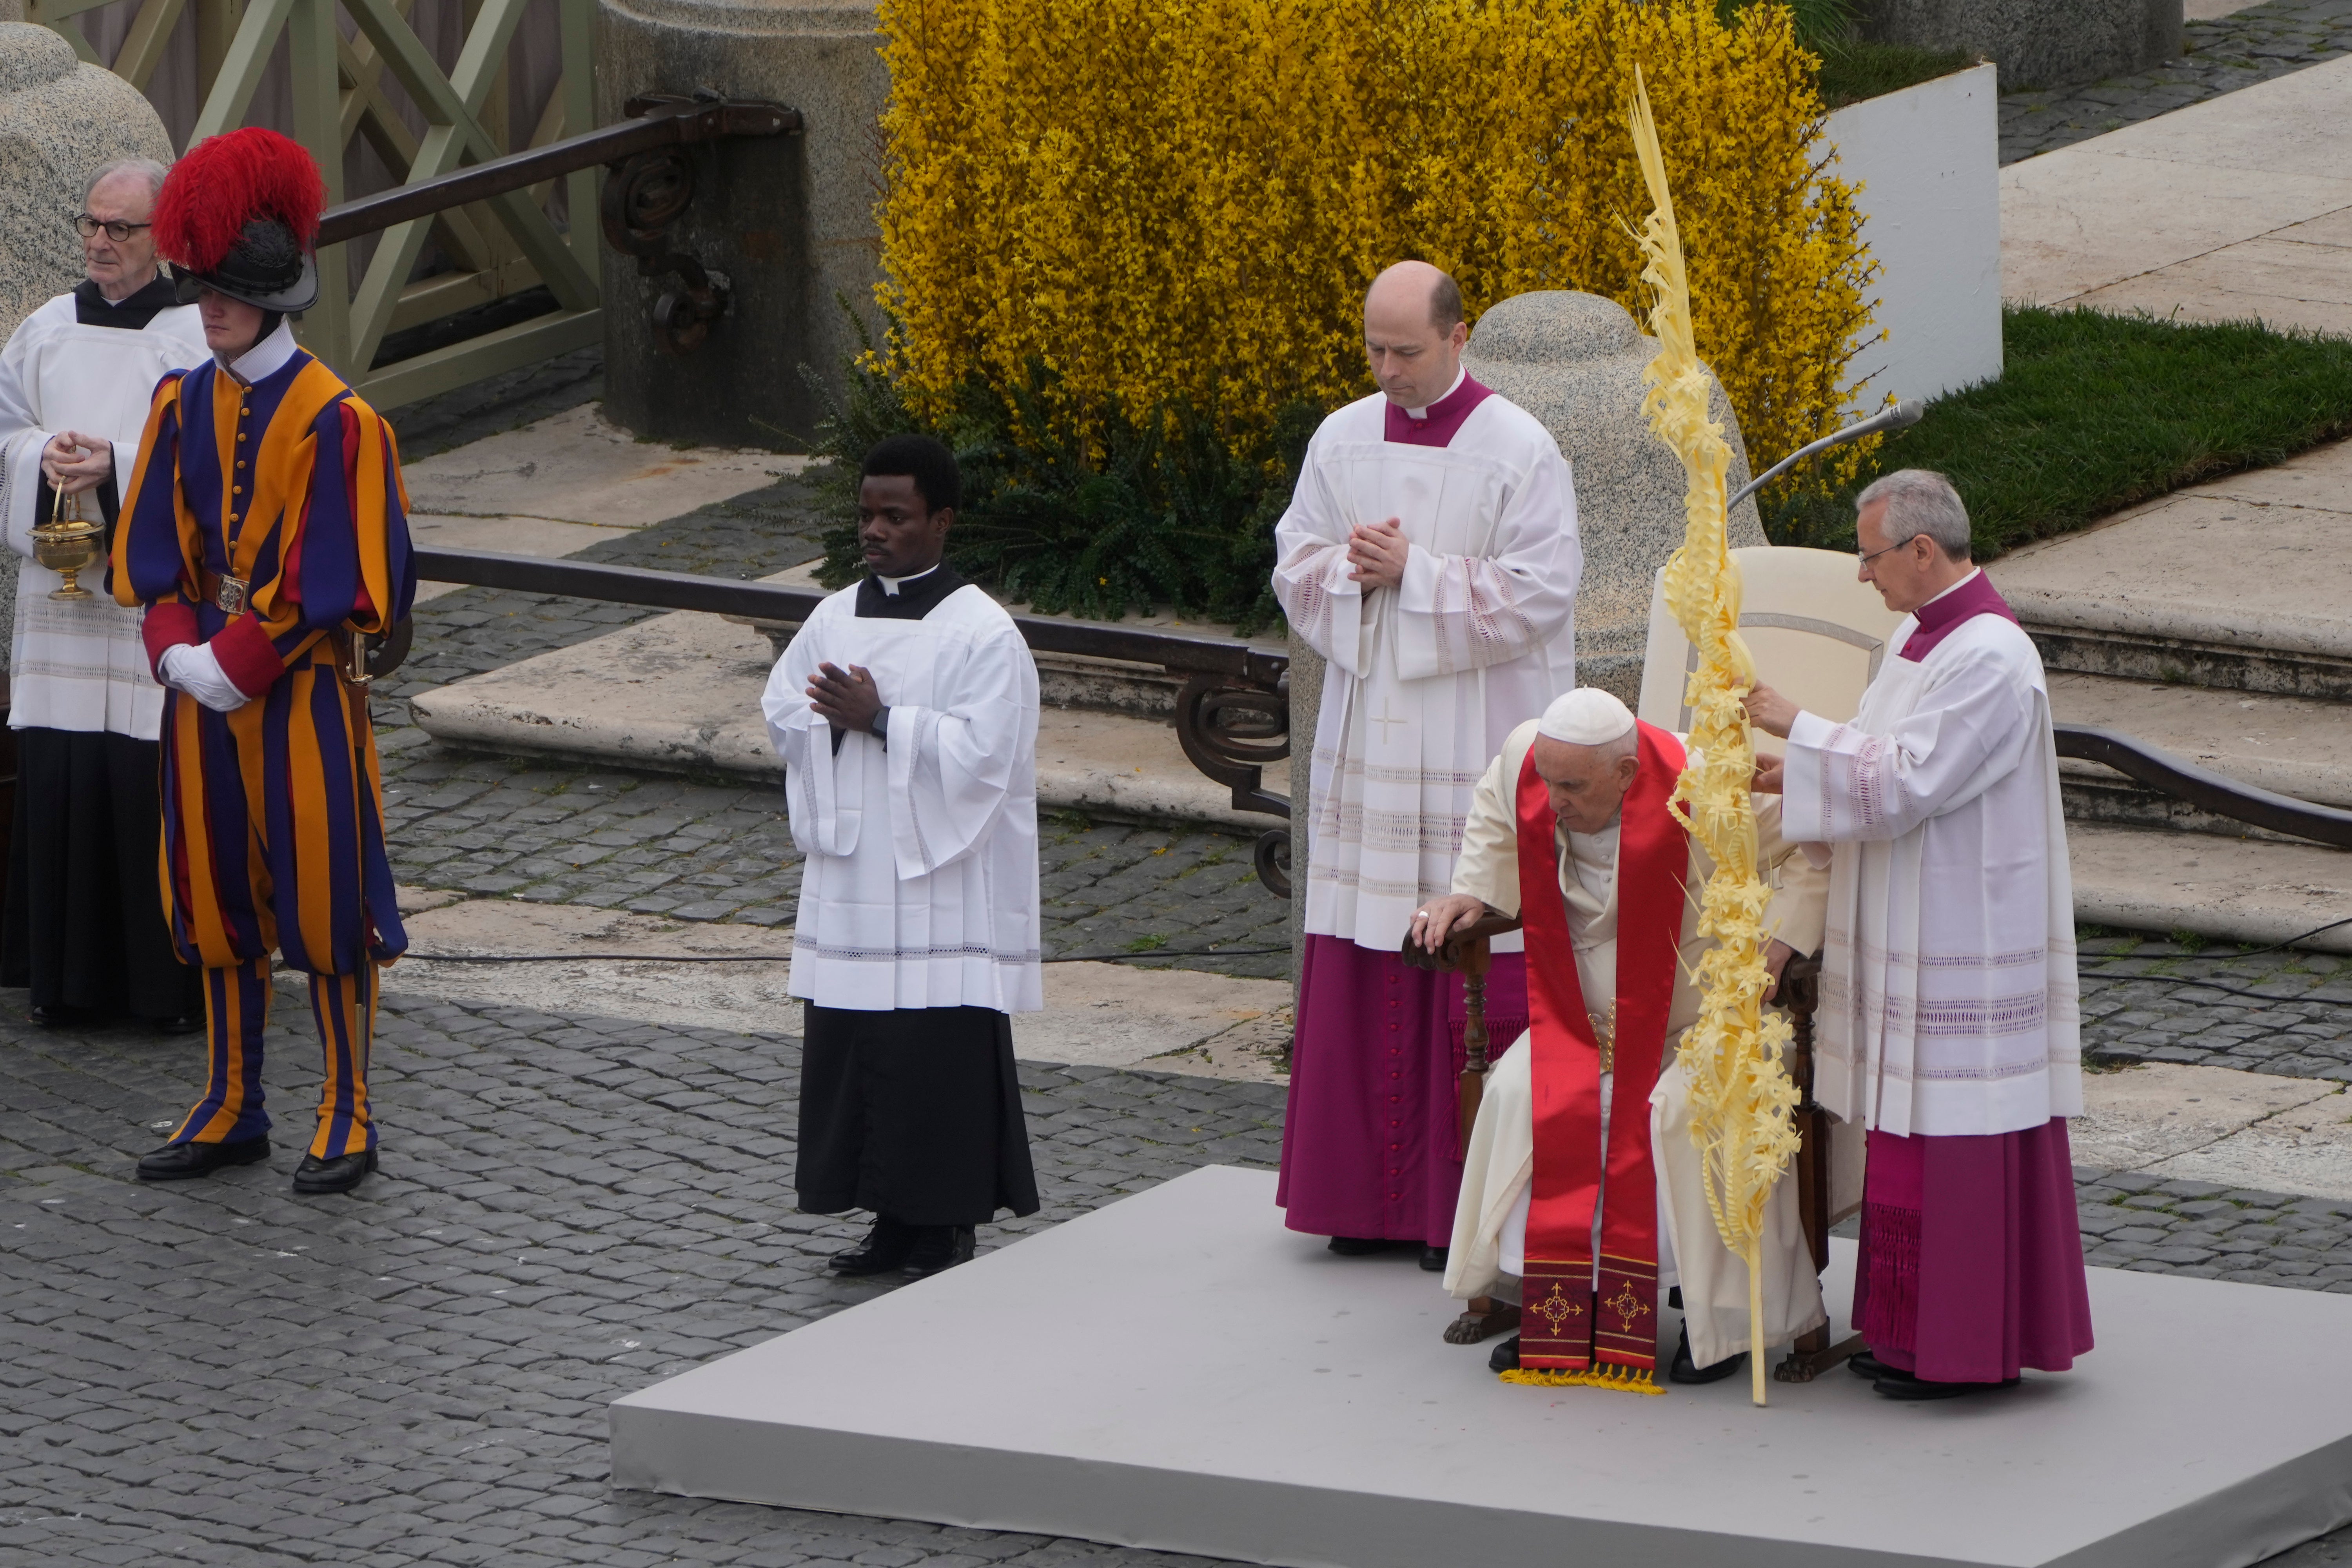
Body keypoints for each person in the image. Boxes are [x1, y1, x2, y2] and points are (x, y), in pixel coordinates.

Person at [111, 127, 416, 1197]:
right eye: (205, 291)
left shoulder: (342, 423)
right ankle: (232, 1101)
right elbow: (156, 554)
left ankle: (348, 1108)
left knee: (325, 899)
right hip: (202, 689)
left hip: (304, 693)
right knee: (212, 894)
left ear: (276, 298)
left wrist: (230, 662)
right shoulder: (180, 402)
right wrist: (175, 657)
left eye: (232, 294)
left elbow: (333, 577)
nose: (213, 309)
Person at [1745, 468, 2092, 1400]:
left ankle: (1965, 1347)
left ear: (1923, 549)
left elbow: (1906, 782)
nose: (1865, 575)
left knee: (1958, 1136)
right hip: (1910, 921)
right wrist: (1797, 774)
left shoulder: (1993, 655)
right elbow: (1877, 749)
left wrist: (1795, 723)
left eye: (1871, 557)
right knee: (1905, 1138)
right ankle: (1905, 1333)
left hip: (1962, 931)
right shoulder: (1914, 634)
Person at [1271, 260, 1581, 1267]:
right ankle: (1361, 1196)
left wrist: (1420, 574)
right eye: (1374, 349)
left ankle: (1457, 1207)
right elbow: (1294, 560)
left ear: (1458, 338)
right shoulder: (1341, 436)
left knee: (1467, 944)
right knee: (1366, 944)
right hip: (1373, 734)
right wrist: (1345, 571)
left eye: (1406, 350)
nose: (1387, 369)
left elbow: (1546, 589)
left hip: (1472, 737)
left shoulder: (1520, 447)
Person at [1414, 689, 1828, 1385]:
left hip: (1699, 1022)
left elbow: (1818, 838)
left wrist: (1785, 935)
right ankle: (1558, 1302)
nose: (1553, 800)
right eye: (1548, 781)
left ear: (1627, 773)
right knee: (1521, 1093)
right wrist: (1473, 893)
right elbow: (1495, 815)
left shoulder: (1710, 787)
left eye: (1573, 788)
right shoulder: (1527, 762)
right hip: (1575, 1022)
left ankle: (1712, 1318)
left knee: (1681, 1112)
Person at [760, 434, 1042, 1279]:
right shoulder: (833, 616)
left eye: (895, 516)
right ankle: (887, 1218)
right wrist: (831, 717)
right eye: (866, 515)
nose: (874, 531)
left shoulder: (982, 631)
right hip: (855, 874)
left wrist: (883, 720)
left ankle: (945, 1224)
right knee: (861, 1047)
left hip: (938, 880)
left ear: (941, 521)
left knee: (934, 1051)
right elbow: (784, 709)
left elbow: (990, 757)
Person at [0, 156, 207, 1029]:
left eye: (120, 227)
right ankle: (65, 985)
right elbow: (6, 427)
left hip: (142, 602)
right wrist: (41, 455)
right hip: (58, 598)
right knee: (61, 767)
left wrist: (118, 465)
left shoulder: (192, 336)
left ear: (163, 237)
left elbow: (211, 453)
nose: (99, 241)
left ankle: (161, 990)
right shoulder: (46, 328)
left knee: (142, 772)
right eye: (91, 223)